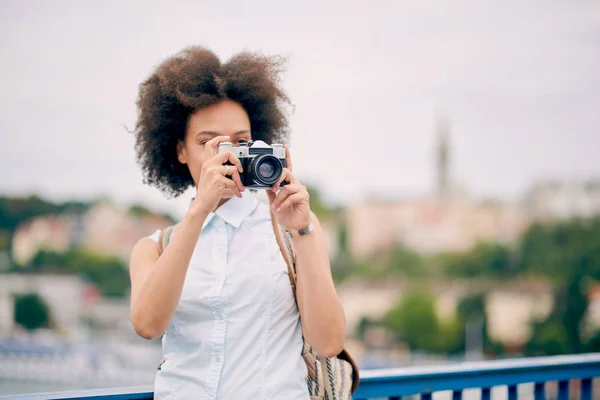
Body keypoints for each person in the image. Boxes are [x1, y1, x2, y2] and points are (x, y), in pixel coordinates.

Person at [128, 46, 346, 399]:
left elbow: (329, 342)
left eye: (241, 142)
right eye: (208, 143)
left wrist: (302, 231)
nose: (227, 155)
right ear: (180, 150)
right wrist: (200, 209)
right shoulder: (152, 247)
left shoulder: (295, 231)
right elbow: (148, 324)